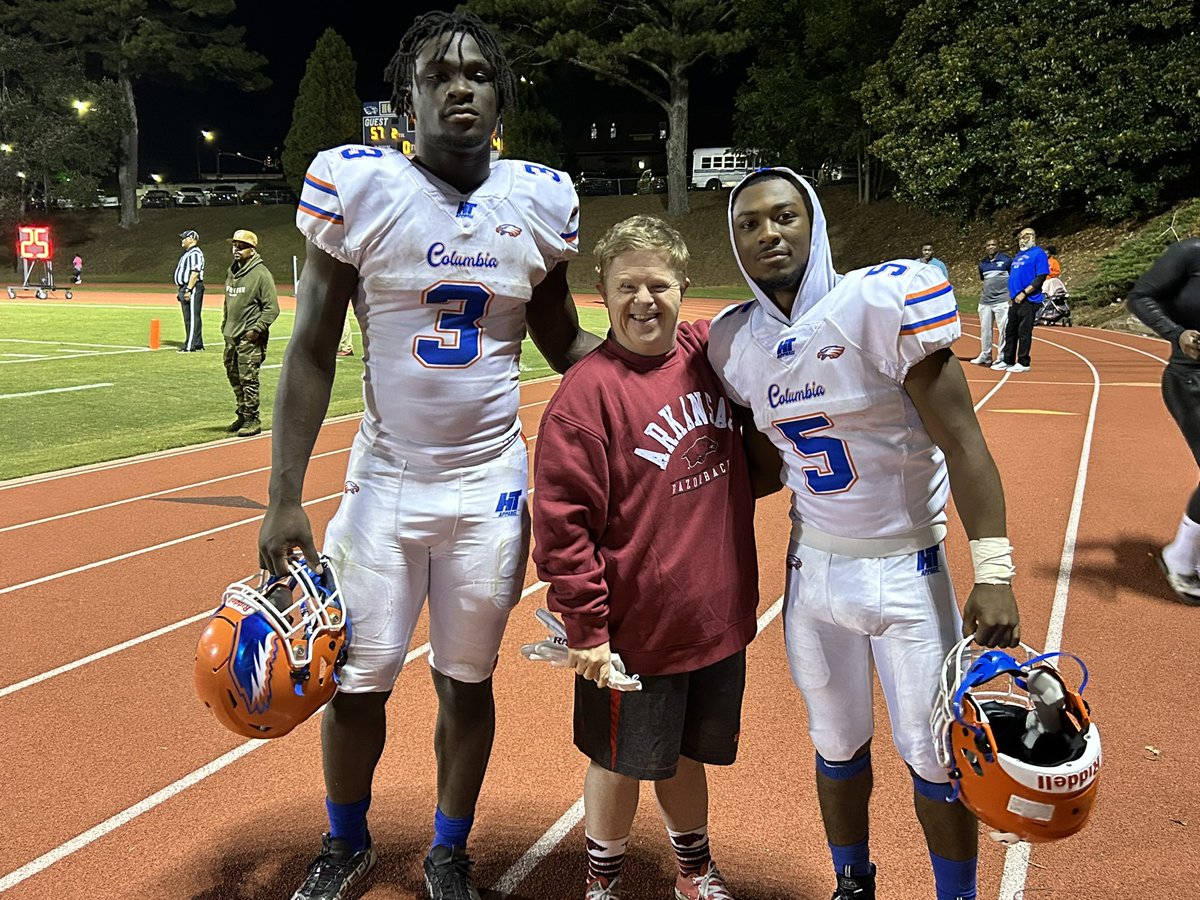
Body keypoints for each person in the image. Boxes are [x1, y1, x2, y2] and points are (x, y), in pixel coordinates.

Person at [256, 11, 601, 900]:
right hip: (384, 483)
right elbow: (310, 348)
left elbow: (564, 341)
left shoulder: (535, 202)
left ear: (500, 99)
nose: (460, 87)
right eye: (440, 74)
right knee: (356, 684)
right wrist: (284, 495)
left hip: (490, 485)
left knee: (467, 683)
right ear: (406, 97)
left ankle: (448, 848)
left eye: (479, 75)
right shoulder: (360, 186)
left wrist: (663, 373)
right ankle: (346, 840)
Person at [708, 168, 1020, 900]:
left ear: (812, 224)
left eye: (784, 216)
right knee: (836, 744)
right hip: (815, 574)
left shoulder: (880, 302)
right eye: (749, 223)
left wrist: (996, 569)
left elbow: (965, 442)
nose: (768, 233)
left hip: (908, 568)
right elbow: (756, 470)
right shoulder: (736, 343)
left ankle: (957, 895)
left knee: (934, 758)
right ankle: (854, 882)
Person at [532, 216, 773, 900]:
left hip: (714, 618)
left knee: (686, 754)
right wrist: (587, 629)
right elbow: (561, 528)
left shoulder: (709, 354)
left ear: (683, 288)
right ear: (601, 296)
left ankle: (693, 871)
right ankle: (601, 882)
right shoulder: (585, 398)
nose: (644, 299)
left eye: (658, 284)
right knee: (619, 763)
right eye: (627, 286)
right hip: (636, 632)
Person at [1127, 237, 1200, 605]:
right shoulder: (1190, 253)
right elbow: (1140, 297)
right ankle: (1181, 557)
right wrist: (1177, 333)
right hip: (1192, 379)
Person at [221, 228, 278, 437]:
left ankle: (253, 419)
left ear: (252, 250)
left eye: (242, 246)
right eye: (234, 245)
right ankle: (242, 413)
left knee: (248, 379)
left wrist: (256, 330)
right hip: (231, 336)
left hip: (249, 338)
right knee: (234, 375)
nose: (236, 249)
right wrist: (225, 325)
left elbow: (272, 308)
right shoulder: (232, 271)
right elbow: (228, 302)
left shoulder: (261, 275)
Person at [994, 226, 1049, 373]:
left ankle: (1024, 362)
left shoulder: (1039, 254)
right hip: (1015, 300)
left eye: (1025, 237)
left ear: (1032, 237)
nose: (1021, 240)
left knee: (1024, 332)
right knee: (1010, 331)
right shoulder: (1019, 255)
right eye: (1020, 237)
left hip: (1029, 300)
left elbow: (1041, 277)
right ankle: (1007, 360)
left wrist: (1025, 292)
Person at [971, 238, 1011, 366]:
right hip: (985, 301)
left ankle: (1001, 356)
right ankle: (986, 355)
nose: (991, 247)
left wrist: (1011, 296)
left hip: (1002, 300)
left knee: (1003, 329)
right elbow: (984, 279)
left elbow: (1012, 278)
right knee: (985, 330)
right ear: (986, 247)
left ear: (997, 246)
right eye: (988, 245)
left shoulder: (1006, 260)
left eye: (993, 244)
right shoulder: (983, 263)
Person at [174, 231, 205, 352]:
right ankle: (197, 343)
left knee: (191, 317)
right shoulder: (188, 254)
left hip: (192, 287)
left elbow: (195, 273)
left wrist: (188, 289)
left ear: (192, 239)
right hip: (186, 287)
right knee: (190, 316)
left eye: (184, 238)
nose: (182, 240)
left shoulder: (195, 253)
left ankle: (189, 345)